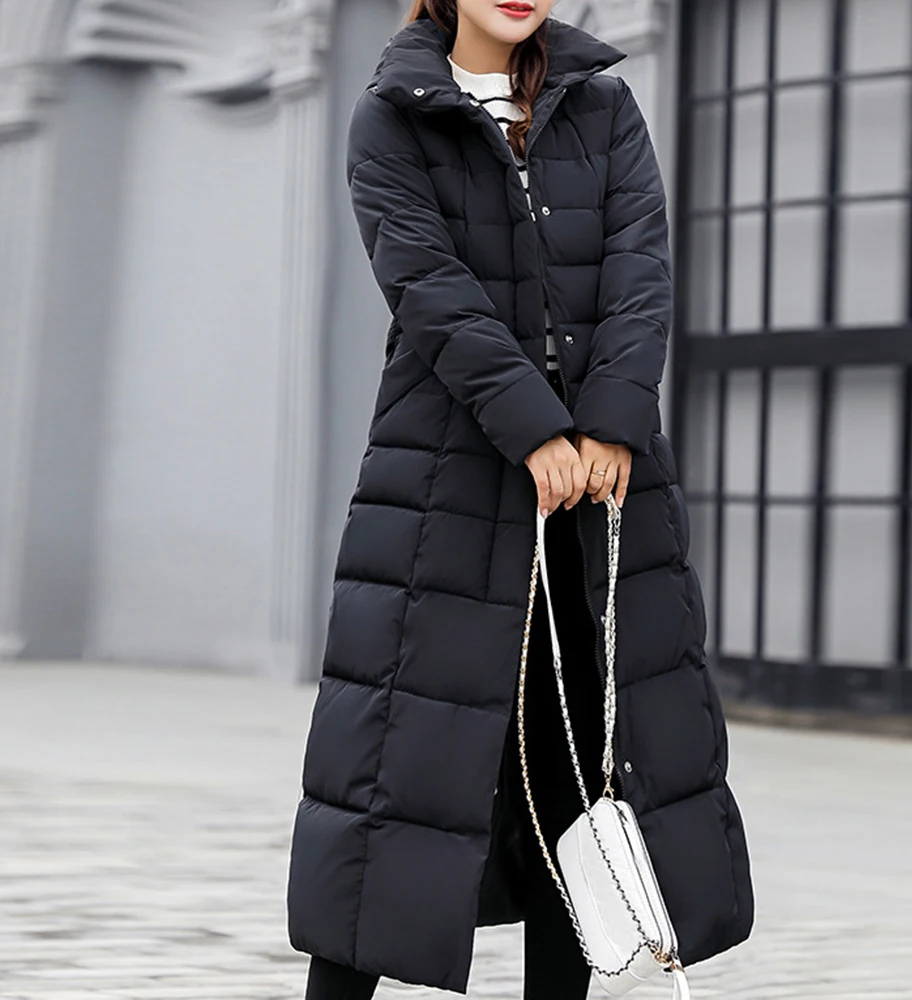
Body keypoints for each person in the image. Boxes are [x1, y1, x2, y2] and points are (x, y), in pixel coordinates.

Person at [286, 2, 754, 997]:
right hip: (443, 483)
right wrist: (535, 428)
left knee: (579, 770)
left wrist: (610, 423)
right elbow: (426, 285)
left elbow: (640, 270)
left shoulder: (604, 105)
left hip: (598, 485)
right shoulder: (392, 114)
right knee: (394, 771)